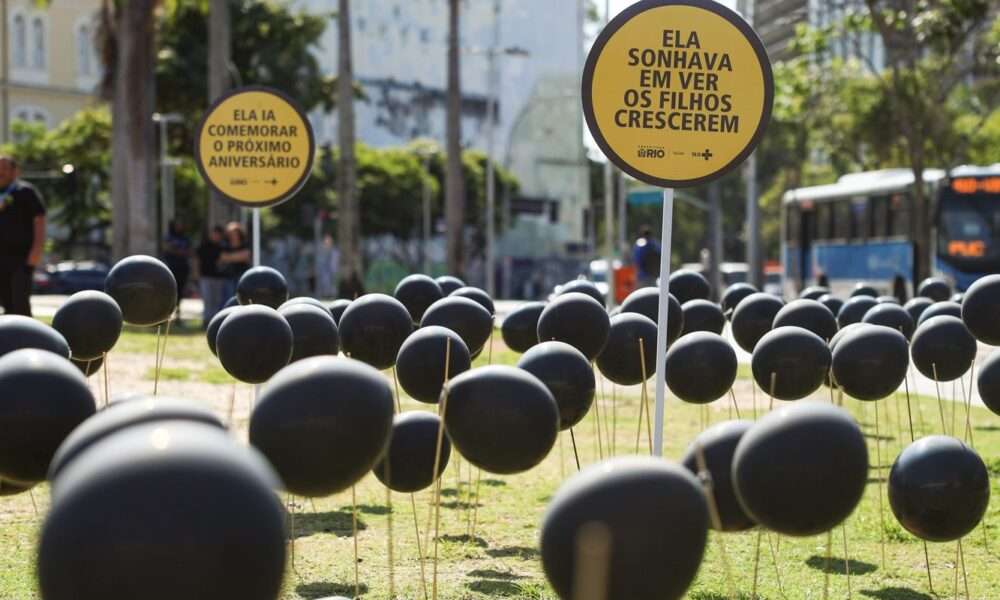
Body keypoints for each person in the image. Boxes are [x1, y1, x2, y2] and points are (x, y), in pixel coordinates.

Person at [0, 156, 45, 316]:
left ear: (14, 171)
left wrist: (36, 251)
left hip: (21, 258)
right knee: (5, 300)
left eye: (4, 168)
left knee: (19, 301)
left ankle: (26, 337)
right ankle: (6, 338)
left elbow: (39, 220)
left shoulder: (25, 192)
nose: (1, 172)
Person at [196, 225, 226, 328]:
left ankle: (215, 322)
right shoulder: (204, 246)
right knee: (207, 299)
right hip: (206, 277)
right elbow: (197, 260)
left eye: (218, 234)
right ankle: (206, 321)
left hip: (219, 277)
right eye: (214, 233)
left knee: (217, 300)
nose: (216, 236)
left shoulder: (223, 247)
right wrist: (197, 275)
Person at [163, 219, 192, 312]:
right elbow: (167, 248)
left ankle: (178, 312)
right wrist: (179, 252)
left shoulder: (185, 238)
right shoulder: (169, 237)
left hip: (182, 268)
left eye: (180, 225)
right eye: (177, 225)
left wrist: (177, 251)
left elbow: (189, 251)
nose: (179, 227)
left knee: (180, 291)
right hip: (171, 267)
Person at [218, 221, 251, 301]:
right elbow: (222, 258)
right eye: (231, 233)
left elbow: (245, 256)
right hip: (228, 276)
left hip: (242, 276)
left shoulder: (245, 244)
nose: (233, 236)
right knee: (228, 299)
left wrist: (230, 257)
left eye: (235, 233)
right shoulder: (224, 245)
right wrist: (237, 256)